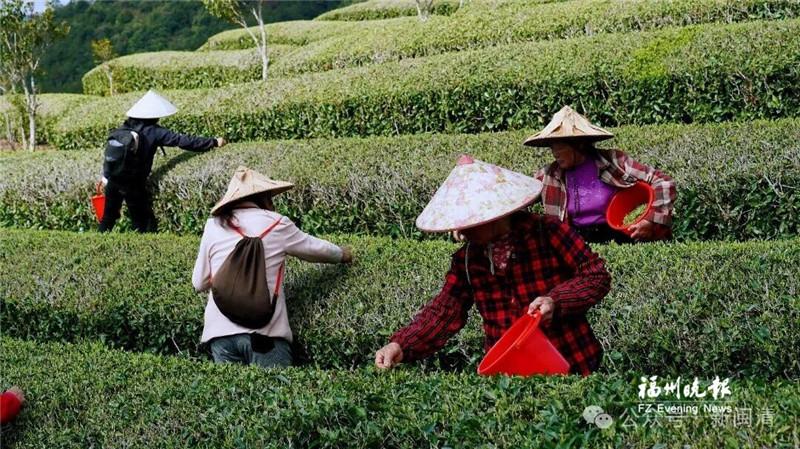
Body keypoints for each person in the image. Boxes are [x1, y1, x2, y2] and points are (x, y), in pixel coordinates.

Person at [374, 155, 611, 376]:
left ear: (495, 212)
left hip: (571, 358)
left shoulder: (548, 232)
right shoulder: (467, 259)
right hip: (510, 371)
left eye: (470, 222)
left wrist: (556, 301)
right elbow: (446, 309)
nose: (462, 231)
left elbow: (595, 275)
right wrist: (401, 344)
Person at [192, 166, 353, 369]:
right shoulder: (277, 224)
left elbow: (198, 283)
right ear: (263, 197)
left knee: (231, 389)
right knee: (273, 388)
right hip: (264, 335)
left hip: (220, 335)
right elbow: (315, 249)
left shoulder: (214, 225)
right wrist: (342, 254)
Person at [525, 106, 677, 244]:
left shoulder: (614, 161)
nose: (555, 154)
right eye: (552, 148)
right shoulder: (549, 175)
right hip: (577, 242)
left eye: (560, 147)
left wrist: (651, 220)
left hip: (617, 236)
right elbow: (521, 196)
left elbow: (663, 182)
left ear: (579, 144)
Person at [99, 89, 227, 233]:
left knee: (108, 218)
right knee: (143, 222)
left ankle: (100, 242)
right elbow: (182, 141)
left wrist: (106, 177)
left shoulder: (125, 127)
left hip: (114, 178)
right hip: (133, 183)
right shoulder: (154, 131)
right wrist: (213, 142)